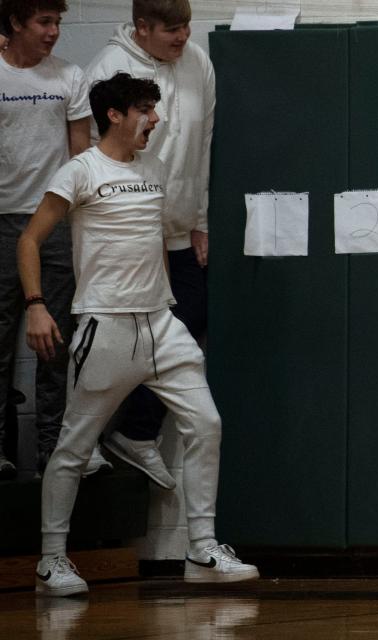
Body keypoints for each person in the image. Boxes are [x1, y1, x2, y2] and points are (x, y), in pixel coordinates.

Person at [18, 72, 258, 597]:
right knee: (74, 447)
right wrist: (36, 306)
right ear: (115, 115)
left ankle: (202, 548)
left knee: (207, 424)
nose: (155, 118)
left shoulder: (153, 168)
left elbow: (152, 244)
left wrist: (168, 307)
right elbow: (30, 241)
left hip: (161, 326)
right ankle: (51, 562)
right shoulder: (80, 171)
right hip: (105, 327)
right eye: (146, 109)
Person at [83, 0, 214, 490]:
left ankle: (136, 433)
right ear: (142, 27)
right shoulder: (109, 69)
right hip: (130, 231)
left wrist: (198, 220)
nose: (182, 38)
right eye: (172, 30)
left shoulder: (198, 61)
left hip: (179, 227)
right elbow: (93, 160)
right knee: (120, 338)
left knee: (191, 317)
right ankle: (86, 440)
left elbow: (203, 143)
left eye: (186, 28)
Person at [0, 0, 112, 479]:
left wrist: (83, 221)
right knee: (2, 341)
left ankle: (55, 451)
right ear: (15, 24)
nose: (53, 33)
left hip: (56, 221)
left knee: (57, 345)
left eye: (58, 23)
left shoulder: (69, 77)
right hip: (3, 221)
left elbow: (80, 154)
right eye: (44, 23)